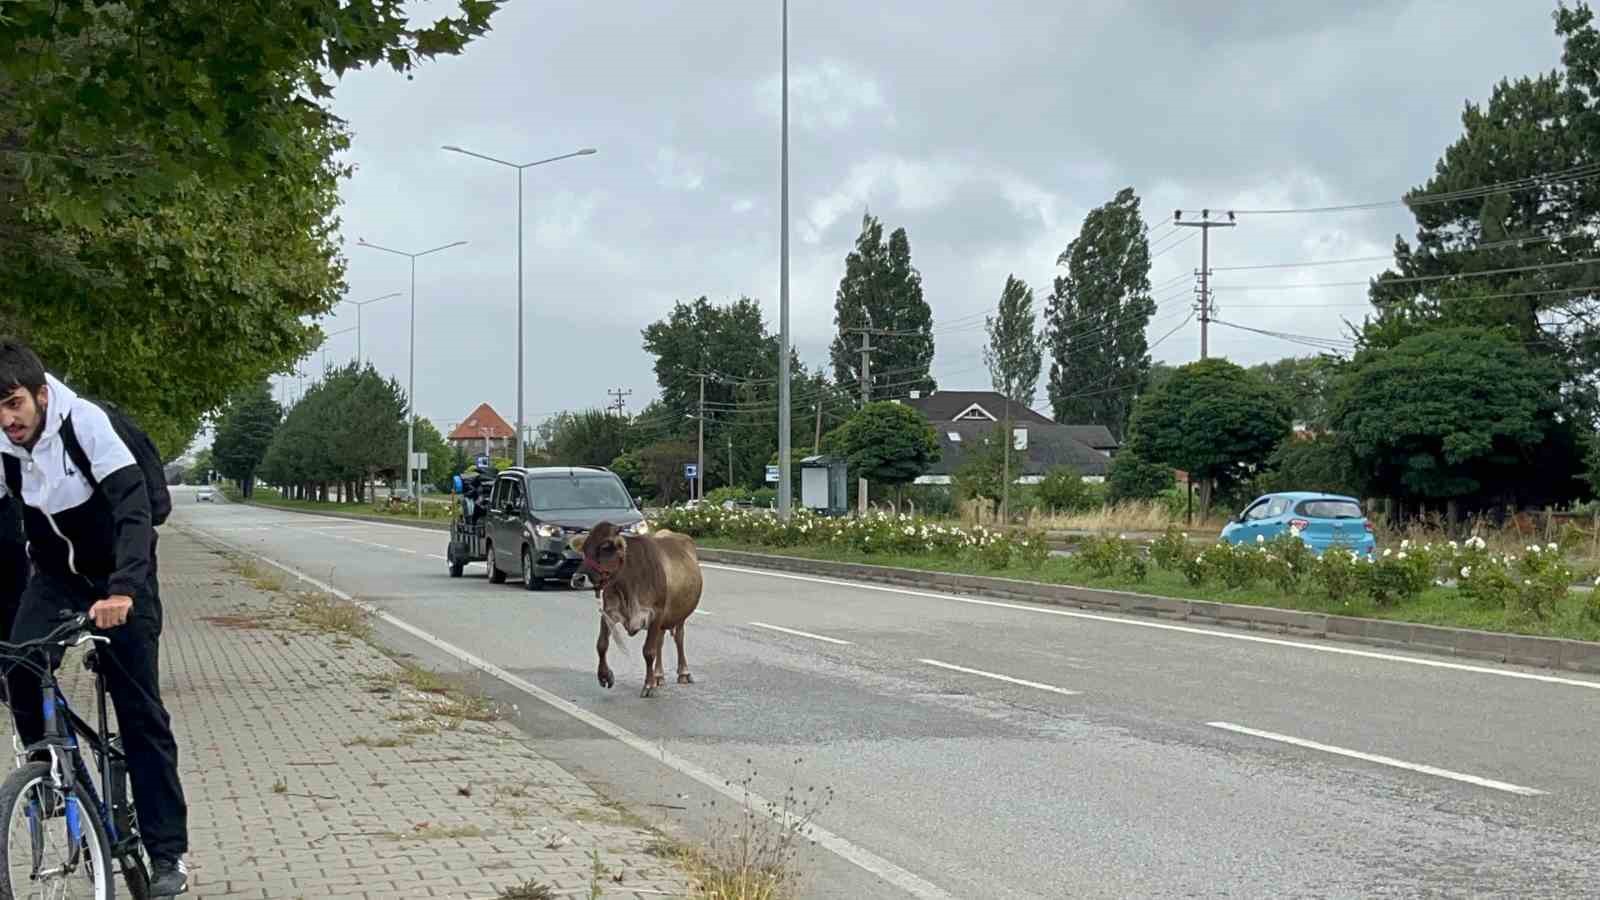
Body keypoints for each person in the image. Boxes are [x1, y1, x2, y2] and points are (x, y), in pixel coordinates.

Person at [0, 340, 188, 896]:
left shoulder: (86, 423)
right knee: (19, 667)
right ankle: (53, 778)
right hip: (58, 579)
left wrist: (125, 589)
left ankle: (168, 852)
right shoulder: (3, 445)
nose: (7, 420)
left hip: (120, 579)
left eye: (14, 404)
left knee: (140, 715)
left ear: (39, 394)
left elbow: (133, 512)